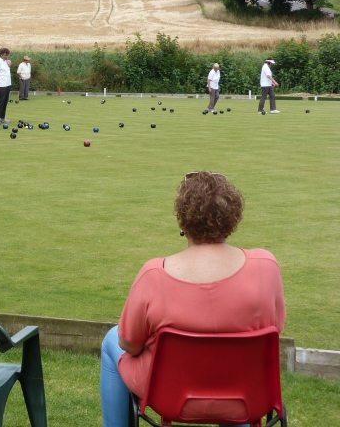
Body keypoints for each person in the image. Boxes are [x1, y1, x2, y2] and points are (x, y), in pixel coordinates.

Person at [99, 172, 285, 427]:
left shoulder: (154, 273)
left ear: (182, 220)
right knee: (237, 360)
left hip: (170, 395)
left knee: (112, 339)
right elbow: (273, 329)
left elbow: (129, 344)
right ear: (232, 216)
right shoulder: (266, 266)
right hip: (245, 395)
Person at [0, 48, 12, 124]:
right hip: (2, 84)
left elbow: (8, 63)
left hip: (8, 83)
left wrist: (9, 61)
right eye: (5, 55)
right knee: (0, 101)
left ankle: (2, 117)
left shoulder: (5, 61)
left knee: (5, 101)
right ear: (1, 54)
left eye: (7, 55)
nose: (6, 56)